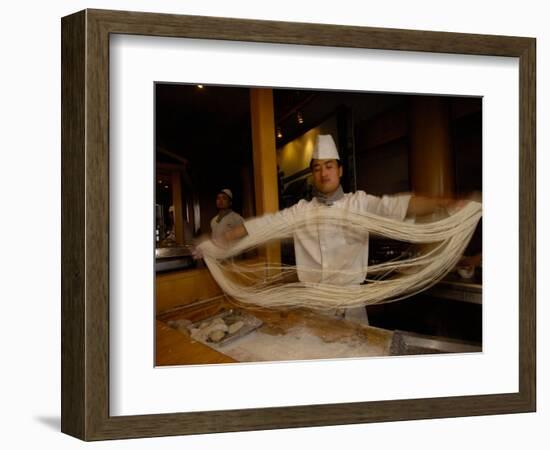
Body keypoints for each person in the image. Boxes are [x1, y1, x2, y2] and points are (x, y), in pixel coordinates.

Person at [201, 135, 464, 324]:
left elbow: (398, 206)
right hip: (313, 306)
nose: (323, 173)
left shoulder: (360, 203)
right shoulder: (301, 211)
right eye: (317, 168)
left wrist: (444, 202)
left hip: (351, 305)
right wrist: (219, 242)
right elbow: (263, 225)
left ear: (339, 170)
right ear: (312, 175)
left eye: (329, 166)